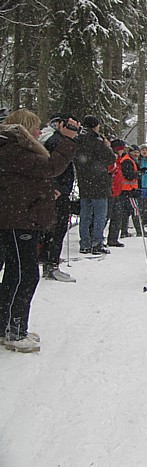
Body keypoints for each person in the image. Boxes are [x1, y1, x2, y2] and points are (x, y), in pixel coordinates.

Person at [0, 109, 78, 352]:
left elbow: (28, 180)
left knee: (16, 273)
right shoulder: (14, 149)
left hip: (22, 218)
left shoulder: (13, 150)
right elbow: (51, 167)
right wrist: (68, 139)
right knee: (25, 274)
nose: (38, 132)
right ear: (24, 129)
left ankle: (8, 327)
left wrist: (44, 192)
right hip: (18, 221)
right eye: (34, 128)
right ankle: (14, 330)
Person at [39, 113, 78, 282]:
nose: (74, 131)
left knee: (56, 228)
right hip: (56, 192)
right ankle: (51, 264)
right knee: (56, 228)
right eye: (70, 126)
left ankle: (50, 262)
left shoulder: (55, 139)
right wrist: (58, 187)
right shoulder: (55, 141)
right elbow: (54, 166)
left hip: (57, 190)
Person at [73, 114, 115, 254]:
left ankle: (84, 243)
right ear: (95, 127)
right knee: (100, 215)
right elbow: (110, 158)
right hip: (99, 182)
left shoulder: (78, 140)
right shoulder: (97, 142)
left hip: (84, 182)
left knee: (85, 214)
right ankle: (97, 242)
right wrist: (106, 145)